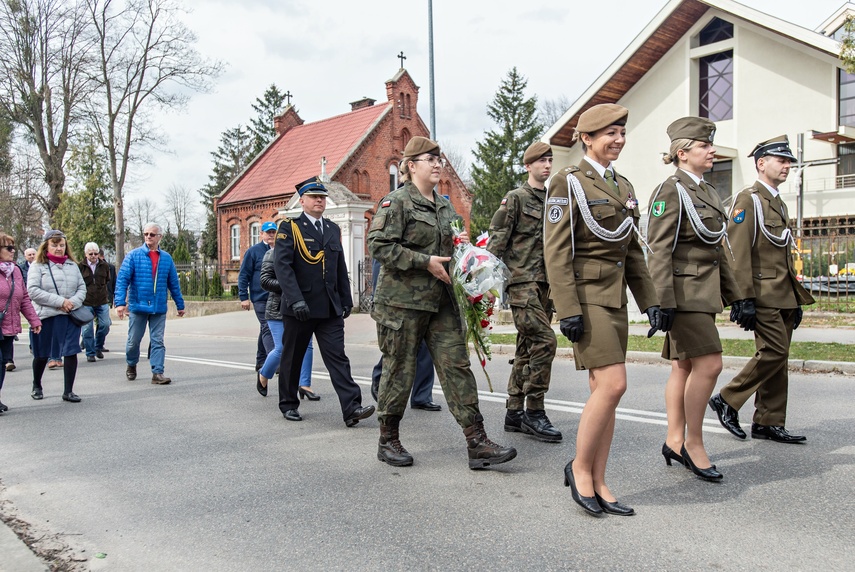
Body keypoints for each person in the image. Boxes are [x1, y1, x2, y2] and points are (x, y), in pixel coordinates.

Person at [369, 136, 517, 469]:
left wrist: (462, 248)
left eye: (440, 160)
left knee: (457, 367)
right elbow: (378, 246)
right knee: (399, 370)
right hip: (402, 305)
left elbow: (451, 247)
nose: (438, 165)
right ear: (411, 165)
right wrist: (425, 262)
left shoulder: (445, 205)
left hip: (442, 301)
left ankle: (477, 442)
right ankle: (387, 439)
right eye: (430, 159)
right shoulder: (397, 203)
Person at [544, 104, 660, 516]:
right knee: (614, 385)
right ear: (587, 139)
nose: (619, 139)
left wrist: (650, 302)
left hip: (615, 302)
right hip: (586, 297)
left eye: (623, 132)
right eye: (610, 133)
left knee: (604, 394)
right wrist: (566, 308)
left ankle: (599, 478)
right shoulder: (567, 182)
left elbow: (631, 254)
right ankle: (578, 469)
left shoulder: (624, 186)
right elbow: (556, 251)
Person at [645, 117, 746, 482]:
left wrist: (736, 297)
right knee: (710, 365)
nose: (712, 150)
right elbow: (658, 249)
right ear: (682, 152)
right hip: (684, 295)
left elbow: (720, 250)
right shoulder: (670, 190)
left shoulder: (708, 192)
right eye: (705, 146)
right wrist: (663, 301)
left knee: (684, 367)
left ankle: (675, 439)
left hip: (704, 294)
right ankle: (693, 442)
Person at [709, 135, 815, 444]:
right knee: (774, 351)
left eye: (788, 162)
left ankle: (768, 421)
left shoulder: (777, 200)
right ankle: (728, 398)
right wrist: (742, 298)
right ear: (761, 163)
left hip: (782, 292)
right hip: (761, 292)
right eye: (781, 161)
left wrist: (795, 298)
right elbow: (737, 251)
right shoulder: (749, 199)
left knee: (779, 359)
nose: (786, 166)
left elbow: (782, 252)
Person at [273, 177, 374, 427]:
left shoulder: (331, 229)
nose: (319, 200)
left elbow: (338, 266)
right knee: (292, 357)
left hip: (329, 307)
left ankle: (352, 408)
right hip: (300, 308)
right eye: (314, 196)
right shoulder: (289, 228)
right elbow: (282, 268)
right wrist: (295, 300)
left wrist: (346, 298)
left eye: (322, 197)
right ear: (303, 200)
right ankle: (288, 403)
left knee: (337, 357)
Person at [487, 141, 560, 442]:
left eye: (550, 160)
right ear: (528, 166)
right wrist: (485, 285)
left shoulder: (557, 201)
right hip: (522, 283)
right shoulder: (515, 198)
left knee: (526, 347)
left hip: (547, 285)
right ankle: (535, 411)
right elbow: (497, 240)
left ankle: (514, 412)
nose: (546, 165)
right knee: (546, 341)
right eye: (540, 161)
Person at [369, 169, 441, 412]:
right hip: (400, 289)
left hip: (427, 289)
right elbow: (382, 253)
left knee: (424, 346)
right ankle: (381, 379)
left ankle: (422, 395)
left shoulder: (436, 203)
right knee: (400, 348)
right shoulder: (396, 201)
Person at [114, 223, 186, 384]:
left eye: (152, 234)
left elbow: (173, 283)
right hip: (138, 306)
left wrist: (180, 304)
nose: (148, 237)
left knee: (157, 341)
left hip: (158, 307)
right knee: (133, 341)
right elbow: (122, 280)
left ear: (159, 237)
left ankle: (157, 372)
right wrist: (120, 303)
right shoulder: (133, 256)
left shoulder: (166, 258)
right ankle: (131, 364)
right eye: (146, 234)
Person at [26, 230, 87, 402]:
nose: (59, 248)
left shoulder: (72, 265)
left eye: (62, 245)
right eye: (55, 245)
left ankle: (68, 390)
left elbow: (82, 289)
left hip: (70, 316)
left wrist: (71, 303)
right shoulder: (38, 266)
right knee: (42, 354)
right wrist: (60, 301)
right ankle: (36, 384)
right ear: (46, 246)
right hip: (47, 316)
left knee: (71, 351)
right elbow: (33, 291)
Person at [257, 240, 315, 398]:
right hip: (277, 310)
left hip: (301, 307)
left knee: (307, 345)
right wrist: (290, 285)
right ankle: (264, 374)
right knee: (282, 348)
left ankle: (305, 385)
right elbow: (265, 281)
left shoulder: (305, 254)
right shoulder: (272, 253)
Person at [0, 233, 42, 413]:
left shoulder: (15, 270)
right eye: (8, 248)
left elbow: (24, 297)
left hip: (7, 326)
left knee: (2, 364)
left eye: (13, 247)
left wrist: (33, 320)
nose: (13, 251)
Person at [239, 221, 276, 373]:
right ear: (261, 234)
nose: (271, 235)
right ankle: (273, 360)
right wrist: (243, 297)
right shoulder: (254, 251)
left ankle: (260, 361)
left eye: (273, 232)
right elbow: (244, 275)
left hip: (277, 297)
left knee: (265, 328)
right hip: (260, 297)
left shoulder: (281, 250)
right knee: (268, 326)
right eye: (268, 232)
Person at [78, 243, 113, 363]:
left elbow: (108, 280)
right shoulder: (80, 267)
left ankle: (98, 346)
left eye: (95, 253)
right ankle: (90, 352)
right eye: (90, 254)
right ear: (86, 254)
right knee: (87, 329)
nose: (93, 256)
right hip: (86, 302)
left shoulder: (105, 266)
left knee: (105, 325)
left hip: (101, 301)